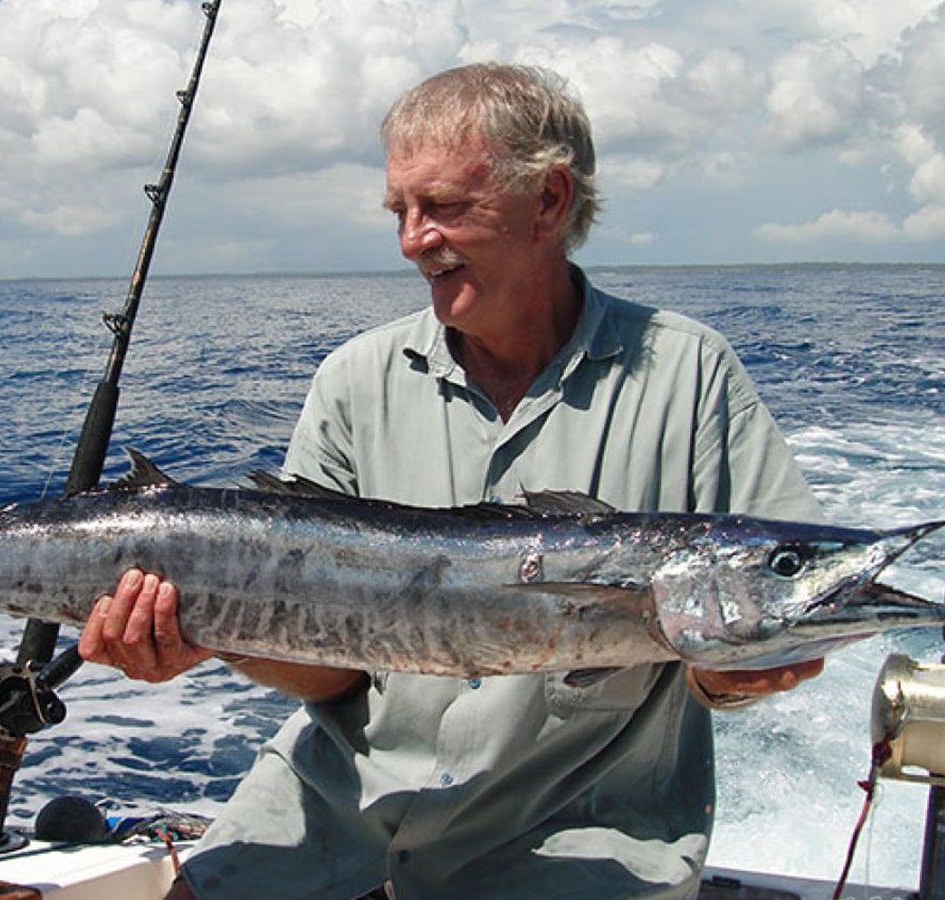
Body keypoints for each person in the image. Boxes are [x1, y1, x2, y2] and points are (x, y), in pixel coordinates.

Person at [79, 62, 824, 899]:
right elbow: (335, 674)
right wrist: (217, 635)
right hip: (337, 808)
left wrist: (733, 673)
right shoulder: (355, 379)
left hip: (579, 841)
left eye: (444, 206)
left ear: (548, 200)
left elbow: (763, 608)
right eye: (401, 210)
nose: (412, 239)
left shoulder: (691, 373)